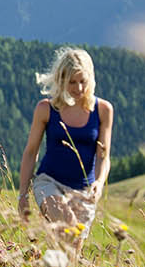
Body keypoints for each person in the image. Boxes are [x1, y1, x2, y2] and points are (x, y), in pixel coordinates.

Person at [17, 47, 114, 254]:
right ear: (61, 80)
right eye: (72, 82)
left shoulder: (103, 110)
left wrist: (98, 182)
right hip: (49, 183)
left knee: (72, 250)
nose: (78, 88)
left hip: (84, 191)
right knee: (69, 228)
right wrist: (23, 195)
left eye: (83, 81)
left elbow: (103, 155)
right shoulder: (46, 109)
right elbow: (30, 152)